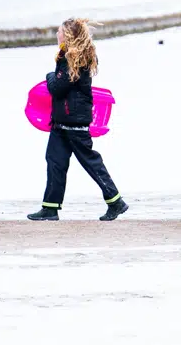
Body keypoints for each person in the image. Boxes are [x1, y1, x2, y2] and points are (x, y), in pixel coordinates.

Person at [28, 18, 128, 222]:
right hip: (61, 122)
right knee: (55, 162)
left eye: (59, 31)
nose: (57, 34)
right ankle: (50, 208)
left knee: (90, 161)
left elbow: (57, 87)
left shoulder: (74, 59)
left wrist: (49, 75)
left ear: (68, 36)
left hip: (73, 122)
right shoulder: (70, 57)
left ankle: (116, 201)